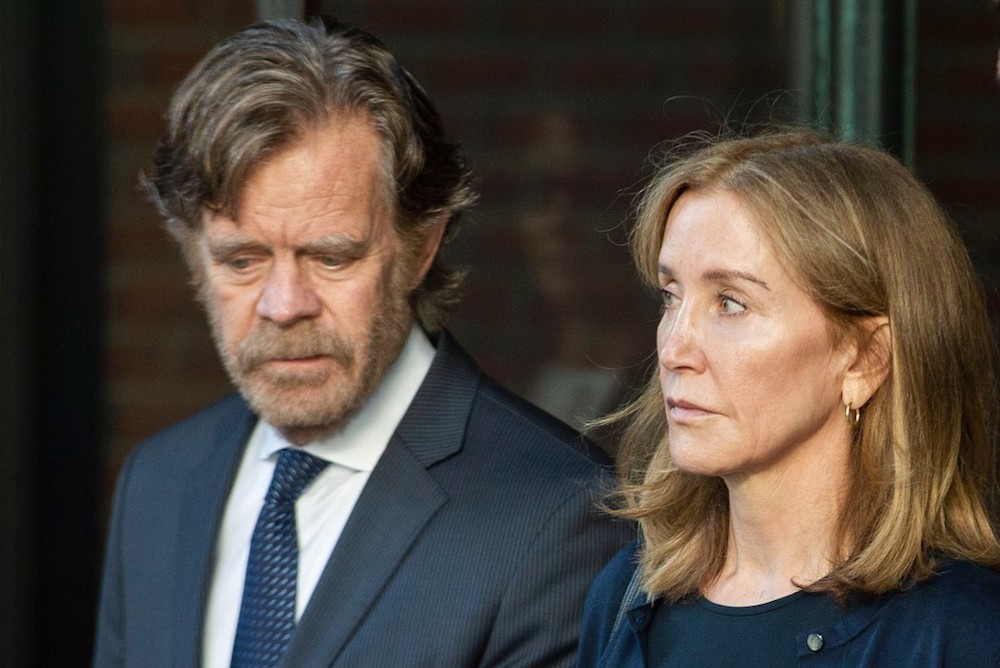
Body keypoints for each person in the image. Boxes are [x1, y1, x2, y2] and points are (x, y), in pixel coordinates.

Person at [93, 17, 632, 668]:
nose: (284, 306)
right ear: (192, 253)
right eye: (242, 261)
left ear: (420, 247)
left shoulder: (558, 519)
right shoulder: (158, 483)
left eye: (330, 257)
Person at [576, 129, 1000, 667]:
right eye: (670, 297)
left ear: (864, 358)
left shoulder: (961, 635)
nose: (675, 348)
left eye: (730, 303)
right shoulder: (628, 596)